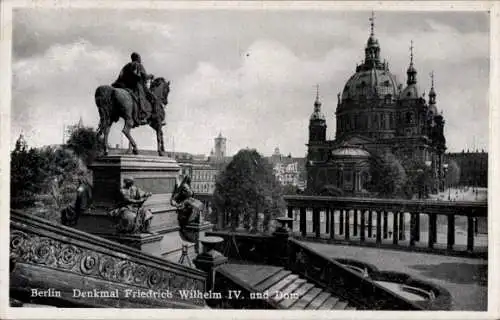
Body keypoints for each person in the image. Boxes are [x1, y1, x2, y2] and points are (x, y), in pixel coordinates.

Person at [112, 52, 156, 125]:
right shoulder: (138, 65)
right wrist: (150, 76)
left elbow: (121, 76)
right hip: (135, 85)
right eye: (139, 58)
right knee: (142, 96)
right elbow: (144, 77)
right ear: (137, 58)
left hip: (122, 86)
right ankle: (142, 114)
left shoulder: (126, 66)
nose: (140, 59)